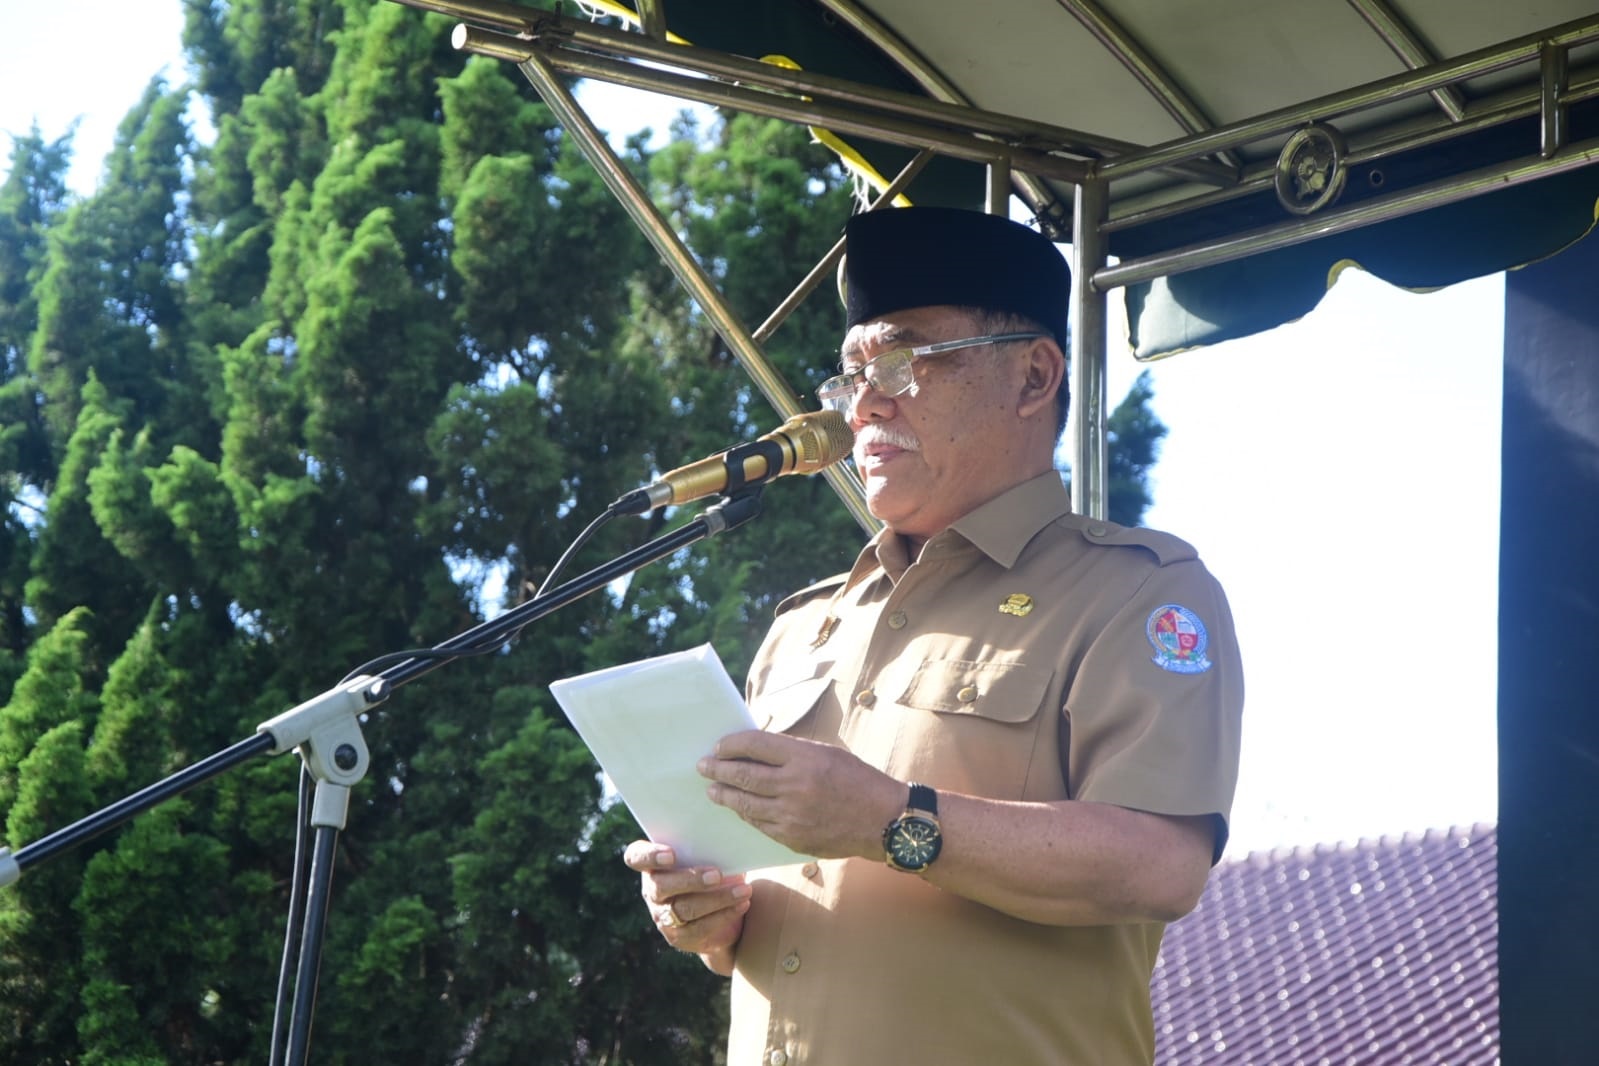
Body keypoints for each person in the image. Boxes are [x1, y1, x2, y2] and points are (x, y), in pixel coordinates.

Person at [623, 205, 1244, 1066]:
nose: (863, 404)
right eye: (849, 375)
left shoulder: (1136, 591)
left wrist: (889, 819)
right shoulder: (803, 627)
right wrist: (708, 915)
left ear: (1033, 378)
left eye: (904, 360)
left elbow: (1159, 866)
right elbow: (779, 902)